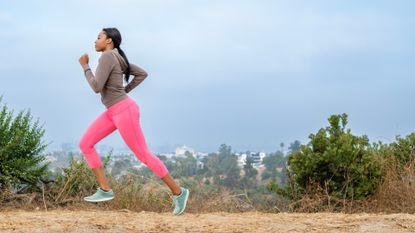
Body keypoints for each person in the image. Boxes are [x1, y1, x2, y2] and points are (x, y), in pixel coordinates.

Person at [78, 27, 189, 216]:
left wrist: (85, 66)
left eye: (98, 37)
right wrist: (124, 92)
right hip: (114, 111)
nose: (94, 41)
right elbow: (142, 74)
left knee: (143, 155)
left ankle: (179, 193)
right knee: (85, 144)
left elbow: (97, 87)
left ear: (109, 41)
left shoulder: (107, 57)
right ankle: (105, 189)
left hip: (124, 111)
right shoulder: (118, 57)